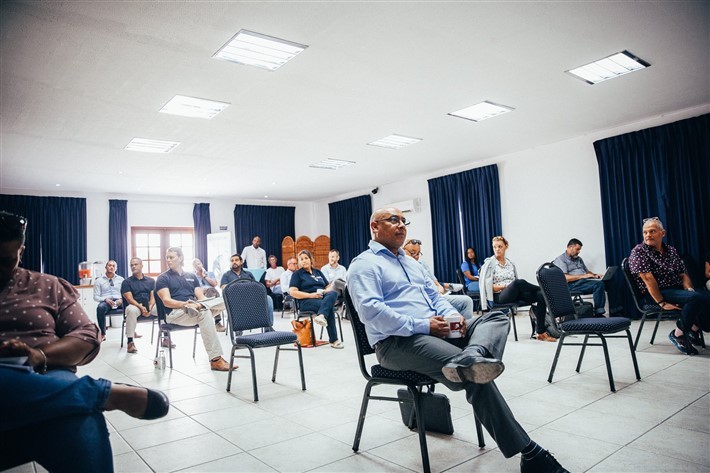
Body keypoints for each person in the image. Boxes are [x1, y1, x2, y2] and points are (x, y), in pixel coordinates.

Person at [347, 208, 568, 473]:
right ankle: (531, 455)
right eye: (393, 220)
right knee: (474, 374)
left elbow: (436, 298)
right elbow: (371, 312)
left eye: (404, 221)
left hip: (435, 331)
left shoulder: (412, 263)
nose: (401, 225)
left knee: (495, 317)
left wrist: (453, 317)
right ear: (374, 226)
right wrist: (424, 325)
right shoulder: (364, 264)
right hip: (397, 343)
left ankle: (472, 353)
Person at [0, 210, 169, 472]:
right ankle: (96, 393)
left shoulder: (48, 286)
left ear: (21, 251)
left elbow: (86, 335)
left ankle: (86, 394)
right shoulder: (106, 281)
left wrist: (39, 355)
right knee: (105, 309)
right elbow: (106, 297)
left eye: (5, 260)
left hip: (46, 369)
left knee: (82, 421)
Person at [628, 217, 710, 355]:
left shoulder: (671, 250)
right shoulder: (639, 251)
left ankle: (694, 329)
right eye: (645, 232)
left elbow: (682, 274)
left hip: (675, 290)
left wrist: (689, 290)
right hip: (656, 293)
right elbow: (647, 278)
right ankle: (678, 334)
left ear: (662, 233)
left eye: (652, 231)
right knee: (697, 298)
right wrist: (661, 302)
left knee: (705, 296)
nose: (648, 235)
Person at [155, 247, 235, 371]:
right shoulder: (162, 278)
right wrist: (185, 304)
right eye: (167, 258)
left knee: (228, 299)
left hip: (195, 309)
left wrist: (200, 304)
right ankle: (216, 360)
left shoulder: (191, 276)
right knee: (205, 312)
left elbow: (201, 298)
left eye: (171, 257)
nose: (168, 260)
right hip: (175, 313)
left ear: (180, 258)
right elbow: (166, 301)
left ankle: (198, 306)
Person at [480, 236, 555, 342]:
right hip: (499, 296)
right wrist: (506, 287)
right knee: (518, 283)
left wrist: (512, 287)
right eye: (494, 247)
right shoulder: (489, 264)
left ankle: (540, 333)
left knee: (540, 295)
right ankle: (546, 289)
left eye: (500, 246)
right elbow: (489, 288)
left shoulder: (510, 264)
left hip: (513, 293)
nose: (497, 249)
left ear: (506, 247)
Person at [403, 239, 474, 323]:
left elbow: (434, 287)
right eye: (412, 253)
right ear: (403, 250)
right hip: (420, 301)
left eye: (418, 254)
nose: (415, 256)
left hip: (433, 296)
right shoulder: (400, 268)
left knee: (466, 301)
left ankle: (464, 327)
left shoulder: (421, 265)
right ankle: (448, 285)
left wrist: (439, 291)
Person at [289, 250, 343, 349]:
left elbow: (328, 286)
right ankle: (334, 340)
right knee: (328, 307)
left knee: (333, 293)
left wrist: (325, 291)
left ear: (311, 259)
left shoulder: (318, 272)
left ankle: (321, 315)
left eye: (306, 258)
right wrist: (311, 295)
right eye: (301, 259)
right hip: (306, 301)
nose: (304, 261)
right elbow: (292, 292)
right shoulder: (297, 274)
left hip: (322, 298)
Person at [220, 254, 274, 331]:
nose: (234, 262)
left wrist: (237, 286)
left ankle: (268, 327)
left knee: (268, 299)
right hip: (235, 300)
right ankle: (238, 328)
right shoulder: (226, 275)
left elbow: (256, 286)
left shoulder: (248, 274)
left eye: (236, 260)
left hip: (250, 298)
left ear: (241, 262)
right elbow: (224, 288)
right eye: (232, 261)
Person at [553, 238, 606, 316]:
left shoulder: (579, 259)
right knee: (598, 285)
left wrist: (595, 275)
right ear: (570, 247)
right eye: (577, 249)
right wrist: (583, 276)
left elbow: (587, 272)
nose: (579, 252)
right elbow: (565, 277)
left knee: (608, 282)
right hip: (571, 285)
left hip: (583, 282)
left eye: (579, 250)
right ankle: (599, 313)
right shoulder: (561, 260)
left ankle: (615, 310)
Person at [120, 257, 157, 354]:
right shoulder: (126, 282)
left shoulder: (151, 281)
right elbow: (129, 299)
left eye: (136, 264)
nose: (133, 266)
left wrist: (150, 308)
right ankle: (130, 342)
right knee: (131, 310)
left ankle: (165, 337)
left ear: (141, 265)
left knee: (162, 308)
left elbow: (153, 297)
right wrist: (141, 307)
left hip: (149, 305)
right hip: (135, 305)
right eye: (131, 265)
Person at [93, 260, 124, 340]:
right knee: (100, 308)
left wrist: (121, 299)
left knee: (130, 307)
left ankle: (131, 332)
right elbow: (95, 296)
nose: (111, 267)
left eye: (113, 266)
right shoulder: (98, 281)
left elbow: (125, 293)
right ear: (106, 267)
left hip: (119, 300)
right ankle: (103, 334)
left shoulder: (121, 279)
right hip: (106, 301)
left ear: (116, 268)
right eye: (109, 265)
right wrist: (105, 299)